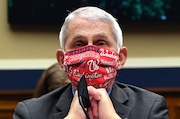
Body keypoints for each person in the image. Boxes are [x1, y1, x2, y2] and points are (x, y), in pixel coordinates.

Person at [13, 6, 169, 119]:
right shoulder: (31, 113)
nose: (90, 53)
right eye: (79, 44)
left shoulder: (150, 108)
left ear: (120, 57)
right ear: (62, 59)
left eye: (100, 43)